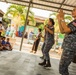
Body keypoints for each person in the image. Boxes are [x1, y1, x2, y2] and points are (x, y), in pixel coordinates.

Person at [57, 8, 76, 75]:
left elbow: (67, 30)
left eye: (74, 10)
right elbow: (62, 31)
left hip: (71, 48)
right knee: (62, 68)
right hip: (68, 47)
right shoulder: (73, 22)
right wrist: (59, 20)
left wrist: (62, 18)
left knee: (62, 68)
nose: (72, 11)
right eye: (72, 10)